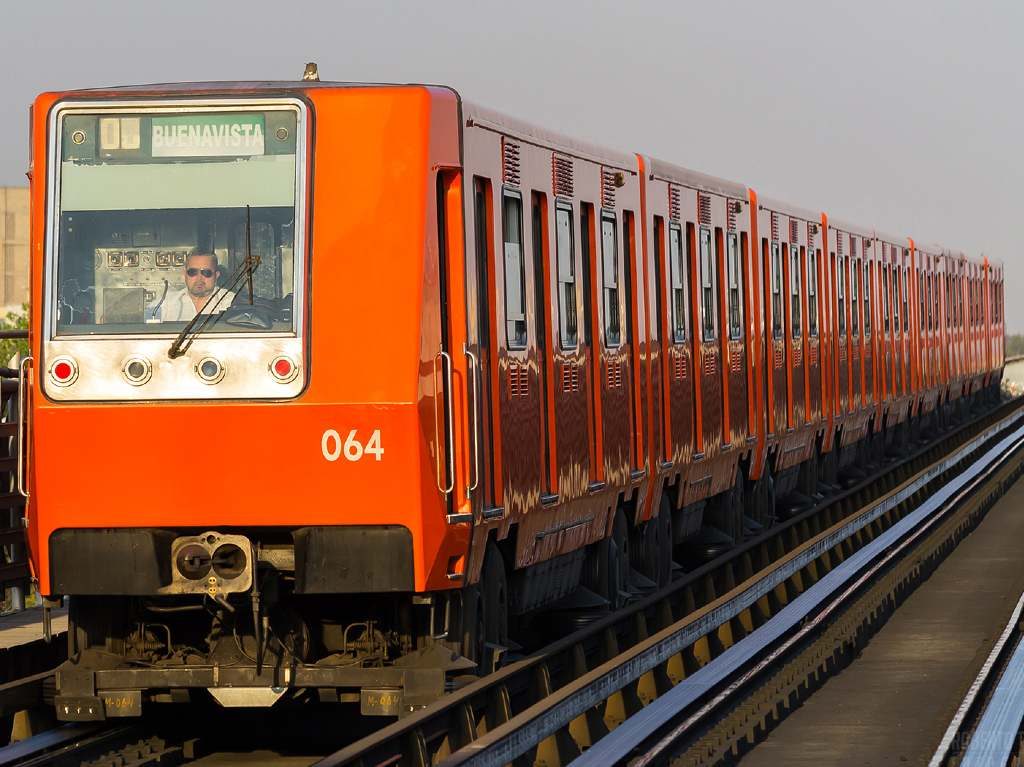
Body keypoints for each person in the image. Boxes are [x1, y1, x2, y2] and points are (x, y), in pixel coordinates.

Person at [157, 253, 236, 322]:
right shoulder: (165, 304)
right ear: (184, 274)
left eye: (206, 272)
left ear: (216, 275)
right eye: (193, 272)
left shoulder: (232, 301)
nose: (199, 278)